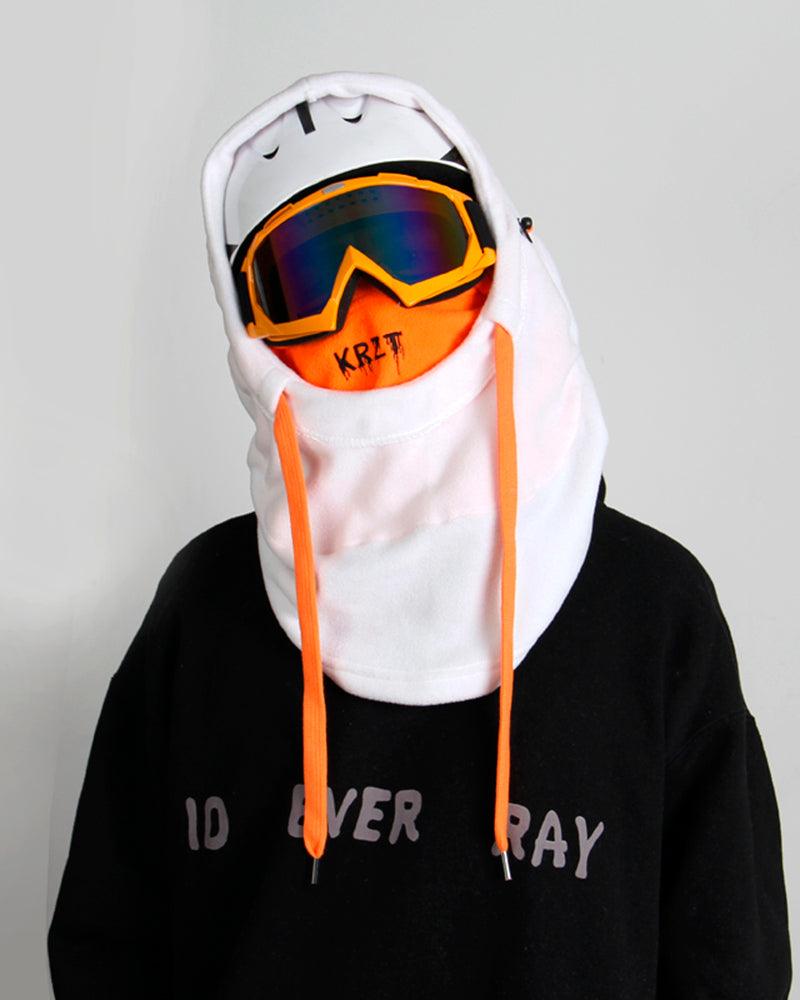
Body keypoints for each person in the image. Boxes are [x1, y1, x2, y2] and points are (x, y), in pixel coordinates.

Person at [47, 69, 793, 999]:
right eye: (304, 277)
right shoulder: (204, 605)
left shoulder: (654, 612)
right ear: (250, 329)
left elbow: (731, 966)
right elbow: (107, 948)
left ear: (499, 252)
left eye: (410, 244)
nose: (366, 300)